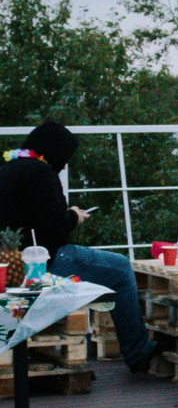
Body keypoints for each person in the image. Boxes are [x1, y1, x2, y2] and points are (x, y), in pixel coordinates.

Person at [0, 121, 158, 374]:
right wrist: (74, 215)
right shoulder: (40, 172)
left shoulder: (9, 169)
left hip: (12, 261)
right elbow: (56, 225)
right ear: (54, 151)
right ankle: (137, 352)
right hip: (47, 260)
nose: (64, 163)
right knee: (120, 268)